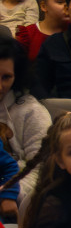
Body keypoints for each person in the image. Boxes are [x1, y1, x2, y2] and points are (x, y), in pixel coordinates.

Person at [0, 37, 50, 191]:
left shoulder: (32, 112)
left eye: (6, 77)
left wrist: (8, 195)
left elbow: (40, 171)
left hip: (15, 200)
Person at [15, 0, 66, 69]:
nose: (67, 6)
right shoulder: (28, 34)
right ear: (44, 6)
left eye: (69, 1)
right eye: (60, 1)